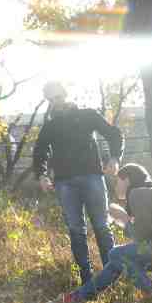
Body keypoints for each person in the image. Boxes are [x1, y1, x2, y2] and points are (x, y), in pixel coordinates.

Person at [33, 81, 124, 285]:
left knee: (101, 226)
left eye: (58, 97)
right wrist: (42, 175)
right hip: (65, 183)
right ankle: (87, 282)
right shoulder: (50, 126)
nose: (56, 102)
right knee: (76, 230)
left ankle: (113, 279)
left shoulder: (88, 115)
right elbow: (40, 152)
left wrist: (115, 158)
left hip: (92, 177)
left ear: (65, 94)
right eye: (51, 99)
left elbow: (114, 134)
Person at [49, 163, 152, 303]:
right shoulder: (151, 192)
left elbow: (141, 237)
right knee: (116, 261)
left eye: (117, 181)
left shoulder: (138, 193)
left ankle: (151, 290)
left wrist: (123, 218)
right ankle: (76, 298)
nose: (115, 186)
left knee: (115, 254)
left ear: (126, 179)